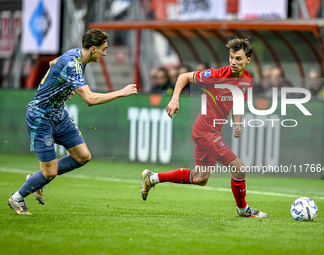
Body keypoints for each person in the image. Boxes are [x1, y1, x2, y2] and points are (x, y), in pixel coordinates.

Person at [8, 29, 138, 215]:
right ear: (93, 49)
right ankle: (17, 198)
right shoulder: (73, 64)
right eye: (104, 49)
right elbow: (90, 100)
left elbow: (54, 63)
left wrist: (61, 86)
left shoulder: (76, 54)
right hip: (40, 116)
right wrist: (121, 92)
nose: (105, 53)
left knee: (83, 156)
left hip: (58, 114)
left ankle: (37, 179)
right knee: (50, 172)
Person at [140, 37, 268, 218]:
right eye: (231, 57)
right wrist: (175, 98)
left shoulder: (248, 80)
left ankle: (152, 178)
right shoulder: (216, 75)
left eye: (238, 58)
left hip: (212, 131)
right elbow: (183, 76)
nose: (233, 62)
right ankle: (242, 209)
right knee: (239, 168)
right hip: (204, 130)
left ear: (248, 60)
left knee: (200, 178)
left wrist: (237, 123)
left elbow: (238, 104)